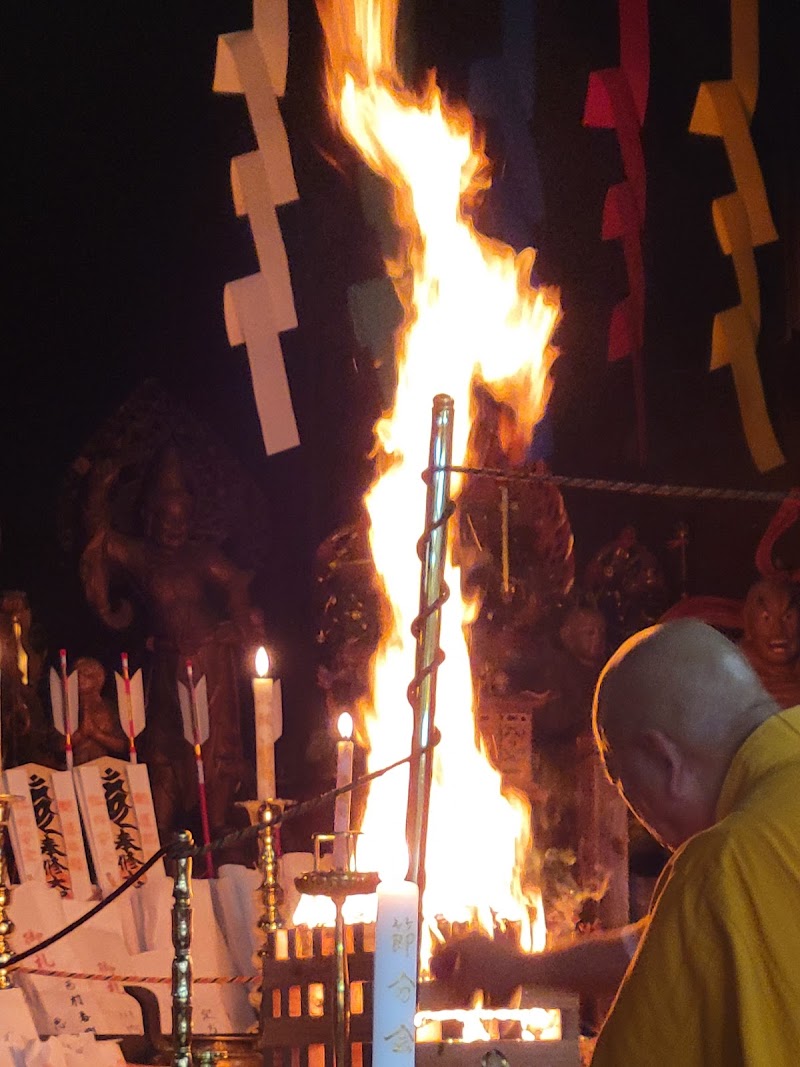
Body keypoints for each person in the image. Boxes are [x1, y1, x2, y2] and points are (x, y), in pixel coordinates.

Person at [433, 619, 800, 1065]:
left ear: (664, 760)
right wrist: (523, 968)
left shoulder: (725, 862)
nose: (637, 818)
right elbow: (659, 948)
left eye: (625, 785)